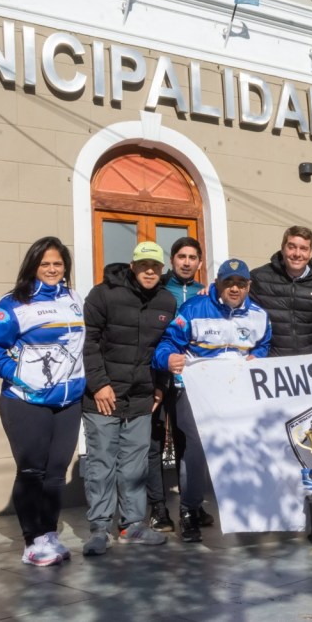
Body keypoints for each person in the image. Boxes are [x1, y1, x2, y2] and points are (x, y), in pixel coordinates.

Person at [0, 236, 85, 566]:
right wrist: (20, 372)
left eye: (58, 263)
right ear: (33, 266)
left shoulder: (74, 298)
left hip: (68, 401)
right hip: (26, 400)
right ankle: (31, 541)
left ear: (65, 267)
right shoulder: (14, 303)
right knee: (31, 471)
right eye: (45, 264)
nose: (52, 269)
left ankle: (49, 533)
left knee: (56, 472)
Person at [153, 259, 272, 542]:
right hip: (195, 392)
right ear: (217, 283)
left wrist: (260, 357)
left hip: (237, 394)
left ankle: (245, 507)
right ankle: (189, 511)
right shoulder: (193, 308)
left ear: (248, 286)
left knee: (245, 447)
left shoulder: (259, 315)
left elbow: (264, 345)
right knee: (196, 448)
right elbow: (167, 343)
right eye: (228, 282)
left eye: (240, 284)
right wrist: (167, 359)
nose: (234, 289)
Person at [80, 241, 177, 554]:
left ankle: (132, 524)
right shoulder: (102, 294)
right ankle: (99, 528)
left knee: (135, 466)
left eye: (156, 267)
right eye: (144, 265)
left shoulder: (166, 301)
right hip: (103, 397)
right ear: (133, 266)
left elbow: (164, 348)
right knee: (101, 464)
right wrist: (98, 385)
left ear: (162, 270)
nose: (150, 271)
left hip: (141, 397)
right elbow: (89, 343)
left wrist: (160, 386)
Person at [146, 237, 207, 534]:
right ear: (172, 260)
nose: (186, 262)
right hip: (157, 375)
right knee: (155, 441)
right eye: (181, 256)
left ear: (199, 262)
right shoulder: (158, 290)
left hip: (192, 380)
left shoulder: (206, 294)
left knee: (188, 442)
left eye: (192, 257)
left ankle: (191, 505)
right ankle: (158, 508)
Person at [249, 225, 312, 356]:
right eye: (291, 247)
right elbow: (235, 301)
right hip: (269, 362)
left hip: (307, 365)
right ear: (282, 248)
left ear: (310, 253)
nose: (297, 254)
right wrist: (211, 291)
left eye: (303, 248)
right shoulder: (258, 279)